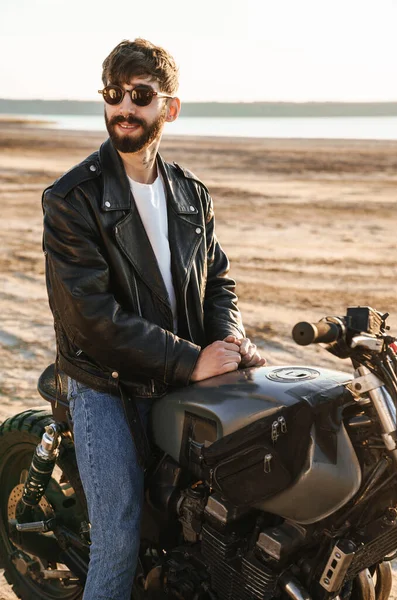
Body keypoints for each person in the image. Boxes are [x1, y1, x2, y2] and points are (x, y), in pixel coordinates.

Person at [42, 38, 265, 600]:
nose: (124, 108)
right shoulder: (72, 198)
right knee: (118, 538)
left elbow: (219, 282)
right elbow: (93, 319)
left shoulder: (190, 194)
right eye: (113, 94)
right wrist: (193, 360)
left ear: (169, 107)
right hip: (104, 384)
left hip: (182, 374)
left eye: (140, 96)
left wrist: (229, 339)